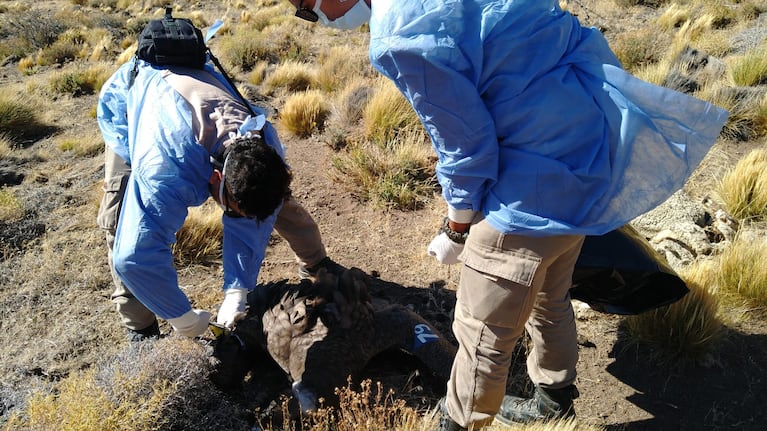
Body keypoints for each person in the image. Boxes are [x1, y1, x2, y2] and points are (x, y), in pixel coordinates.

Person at [283, 0, 728, 429]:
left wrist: (456, 228)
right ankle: (553, 399)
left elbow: (467, 148)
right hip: (584, 151)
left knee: (480, 330)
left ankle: (457, 424)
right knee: (549, 295)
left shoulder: (398, 34)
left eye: (307, 7)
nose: (314, 18)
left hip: (530, 185)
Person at [96, 47, 341, 342]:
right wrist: (182, 318)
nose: (242, 218)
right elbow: (135, 256)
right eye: (235, 209)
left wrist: (237, 289)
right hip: (135, 104)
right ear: (215, 178)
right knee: (122, 223)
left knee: (268, 203)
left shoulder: (264, 143)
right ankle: (140, 326)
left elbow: (255, 213)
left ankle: (316, 264)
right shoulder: (164, 168)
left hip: (197, 96)